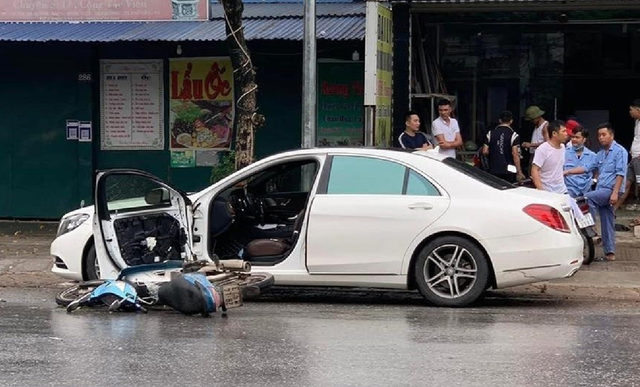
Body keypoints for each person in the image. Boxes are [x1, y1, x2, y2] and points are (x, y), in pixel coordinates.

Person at [585, 123, 628, 261]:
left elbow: (620, 173)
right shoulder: (600, 153)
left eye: (604, 135)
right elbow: (588, 168)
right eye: (599, 135)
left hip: (611, 189)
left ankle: (591, 229)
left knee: (587, 198)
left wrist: (615, 193)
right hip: (602, 189)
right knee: (607, 220)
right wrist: (567, 171)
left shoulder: (620, 151)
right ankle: (610, 253)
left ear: (611, 135)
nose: (601, 138)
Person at [482, 110, 525, 183]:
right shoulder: (513, 135)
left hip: (493, 169)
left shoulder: (490, 133)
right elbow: (515, 154)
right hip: (509, 170)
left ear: (500, 120)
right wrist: (519, 172)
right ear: (511, 121)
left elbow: (484, 151)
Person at [617, 99, 640, 220]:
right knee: (626, 184)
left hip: (639, 158)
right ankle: (613, 210)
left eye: (631, 110)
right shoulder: (637, 122)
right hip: (634, 158)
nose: (630, 112)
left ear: (638, 110)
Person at [530, 120, 568, 194]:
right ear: (554, 133)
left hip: (562, 189)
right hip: (547, 190)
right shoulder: (542, 149)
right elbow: (534, 170)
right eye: (563, 131)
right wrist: (541, 191)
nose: (566, 134)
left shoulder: (563, 147)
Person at [563, 127, 598, 198]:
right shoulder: (564, 153)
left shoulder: (593, 156)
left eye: (577, 137)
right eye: (572, 137)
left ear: (584, 139)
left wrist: (594, 180)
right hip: (568, 191)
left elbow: (597, 171)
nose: (574, 139)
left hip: (586, 191)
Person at [521, 105, 549, 172]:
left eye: (532, 119)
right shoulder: (536, 126)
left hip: (541, 156)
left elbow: (548, 143)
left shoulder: (545, 126)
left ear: (538, 117)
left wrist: (531, 145)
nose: (531, 121)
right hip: (534, 154)